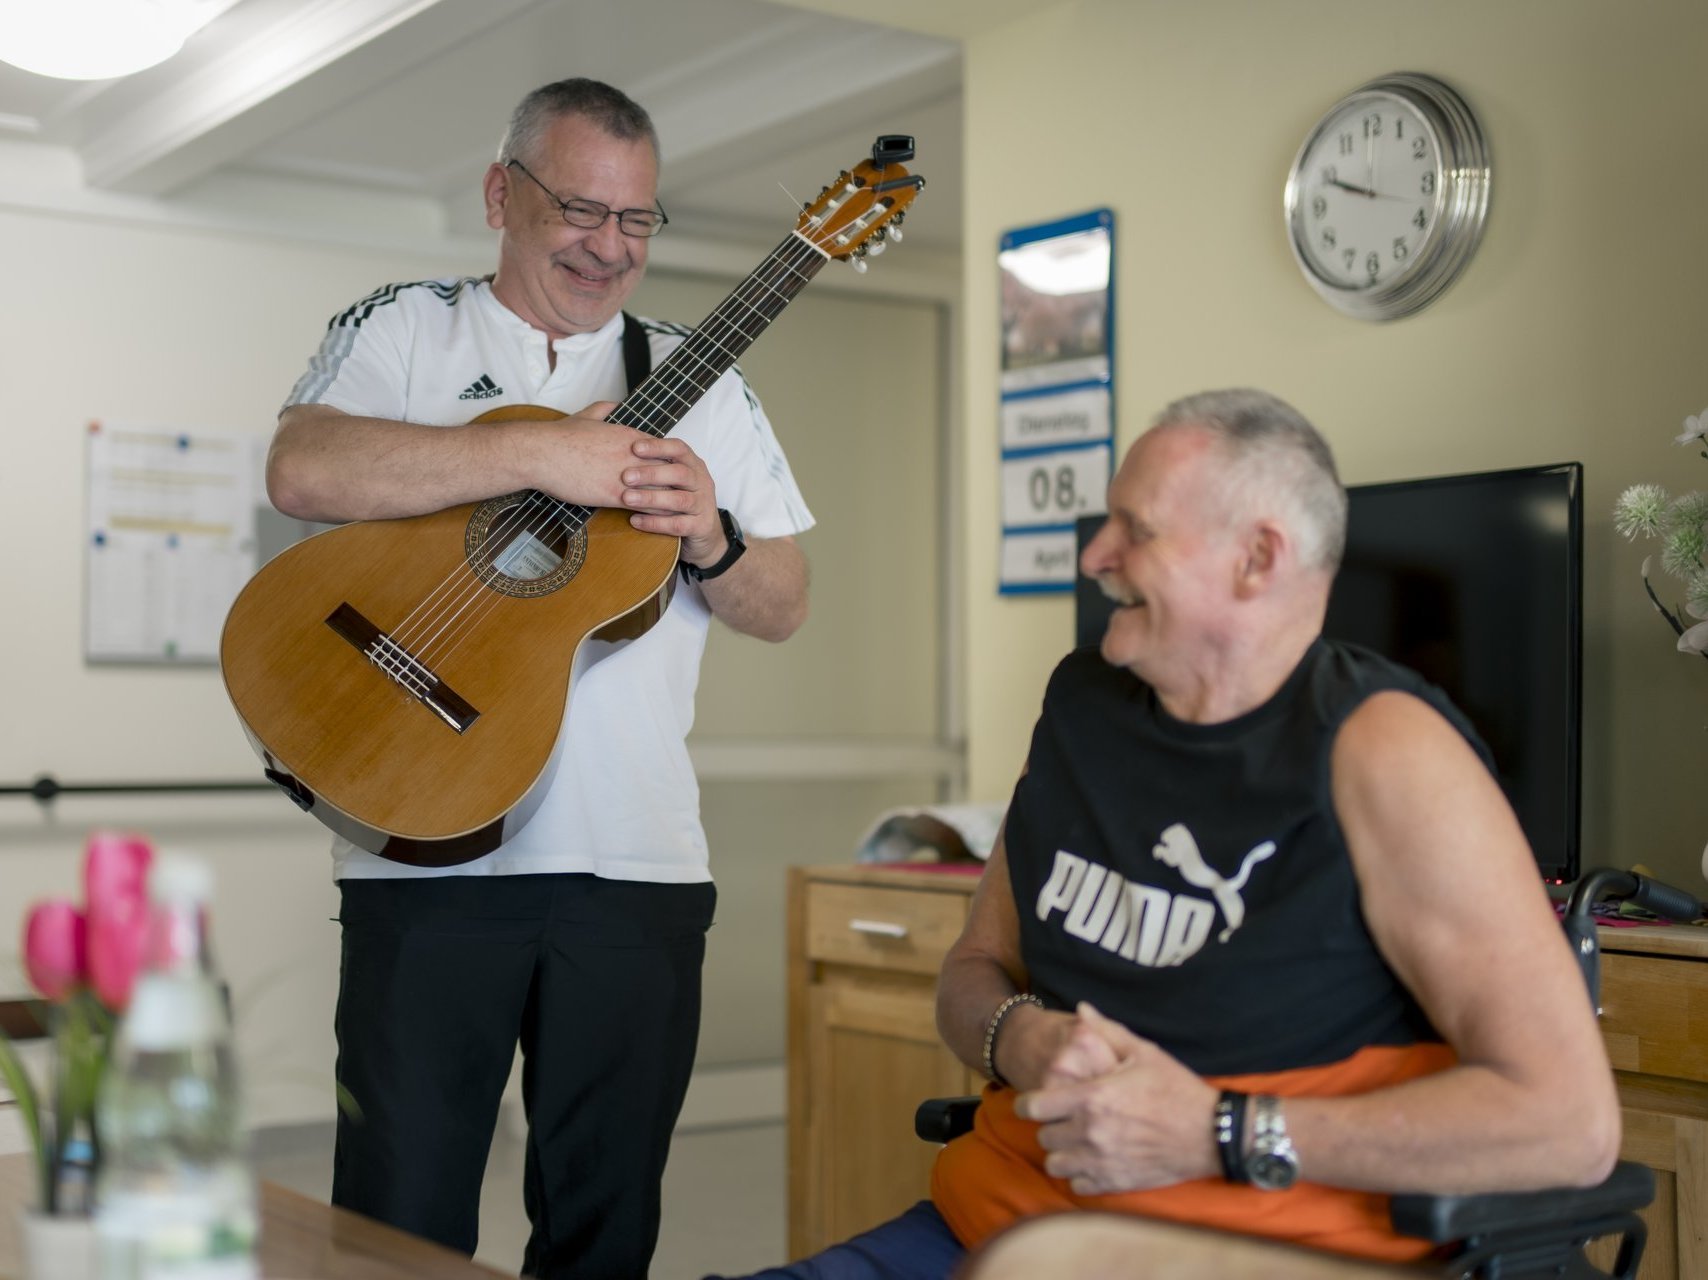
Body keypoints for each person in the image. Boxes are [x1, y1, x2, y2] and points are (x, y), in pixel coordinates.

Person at [715, 389, 1618, 1279]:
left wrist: (1215, 1131)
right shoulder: (1081, 705)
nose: (1094, 556)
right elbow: (974, 970)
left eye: (1135, 530)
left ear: (1256, 559)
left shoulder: (1388, 753)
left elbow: (1567, 1125)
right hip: (988, 1226)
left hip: (1242, 1252)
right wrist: (1016, 1039)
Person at [267, 78, 812, 1280]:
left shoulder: (699, 378)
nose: (609, 246)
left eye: (636, 218)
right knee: (397, 1227)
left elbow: (783, 602)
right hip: (425, 840)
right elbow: (302, 467)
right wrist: (538, 451)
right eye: (579, 209)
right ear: (499, 194)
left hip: (636, 864)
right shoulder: (407, 328)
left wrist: (711, 533)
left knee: (603, 1227)